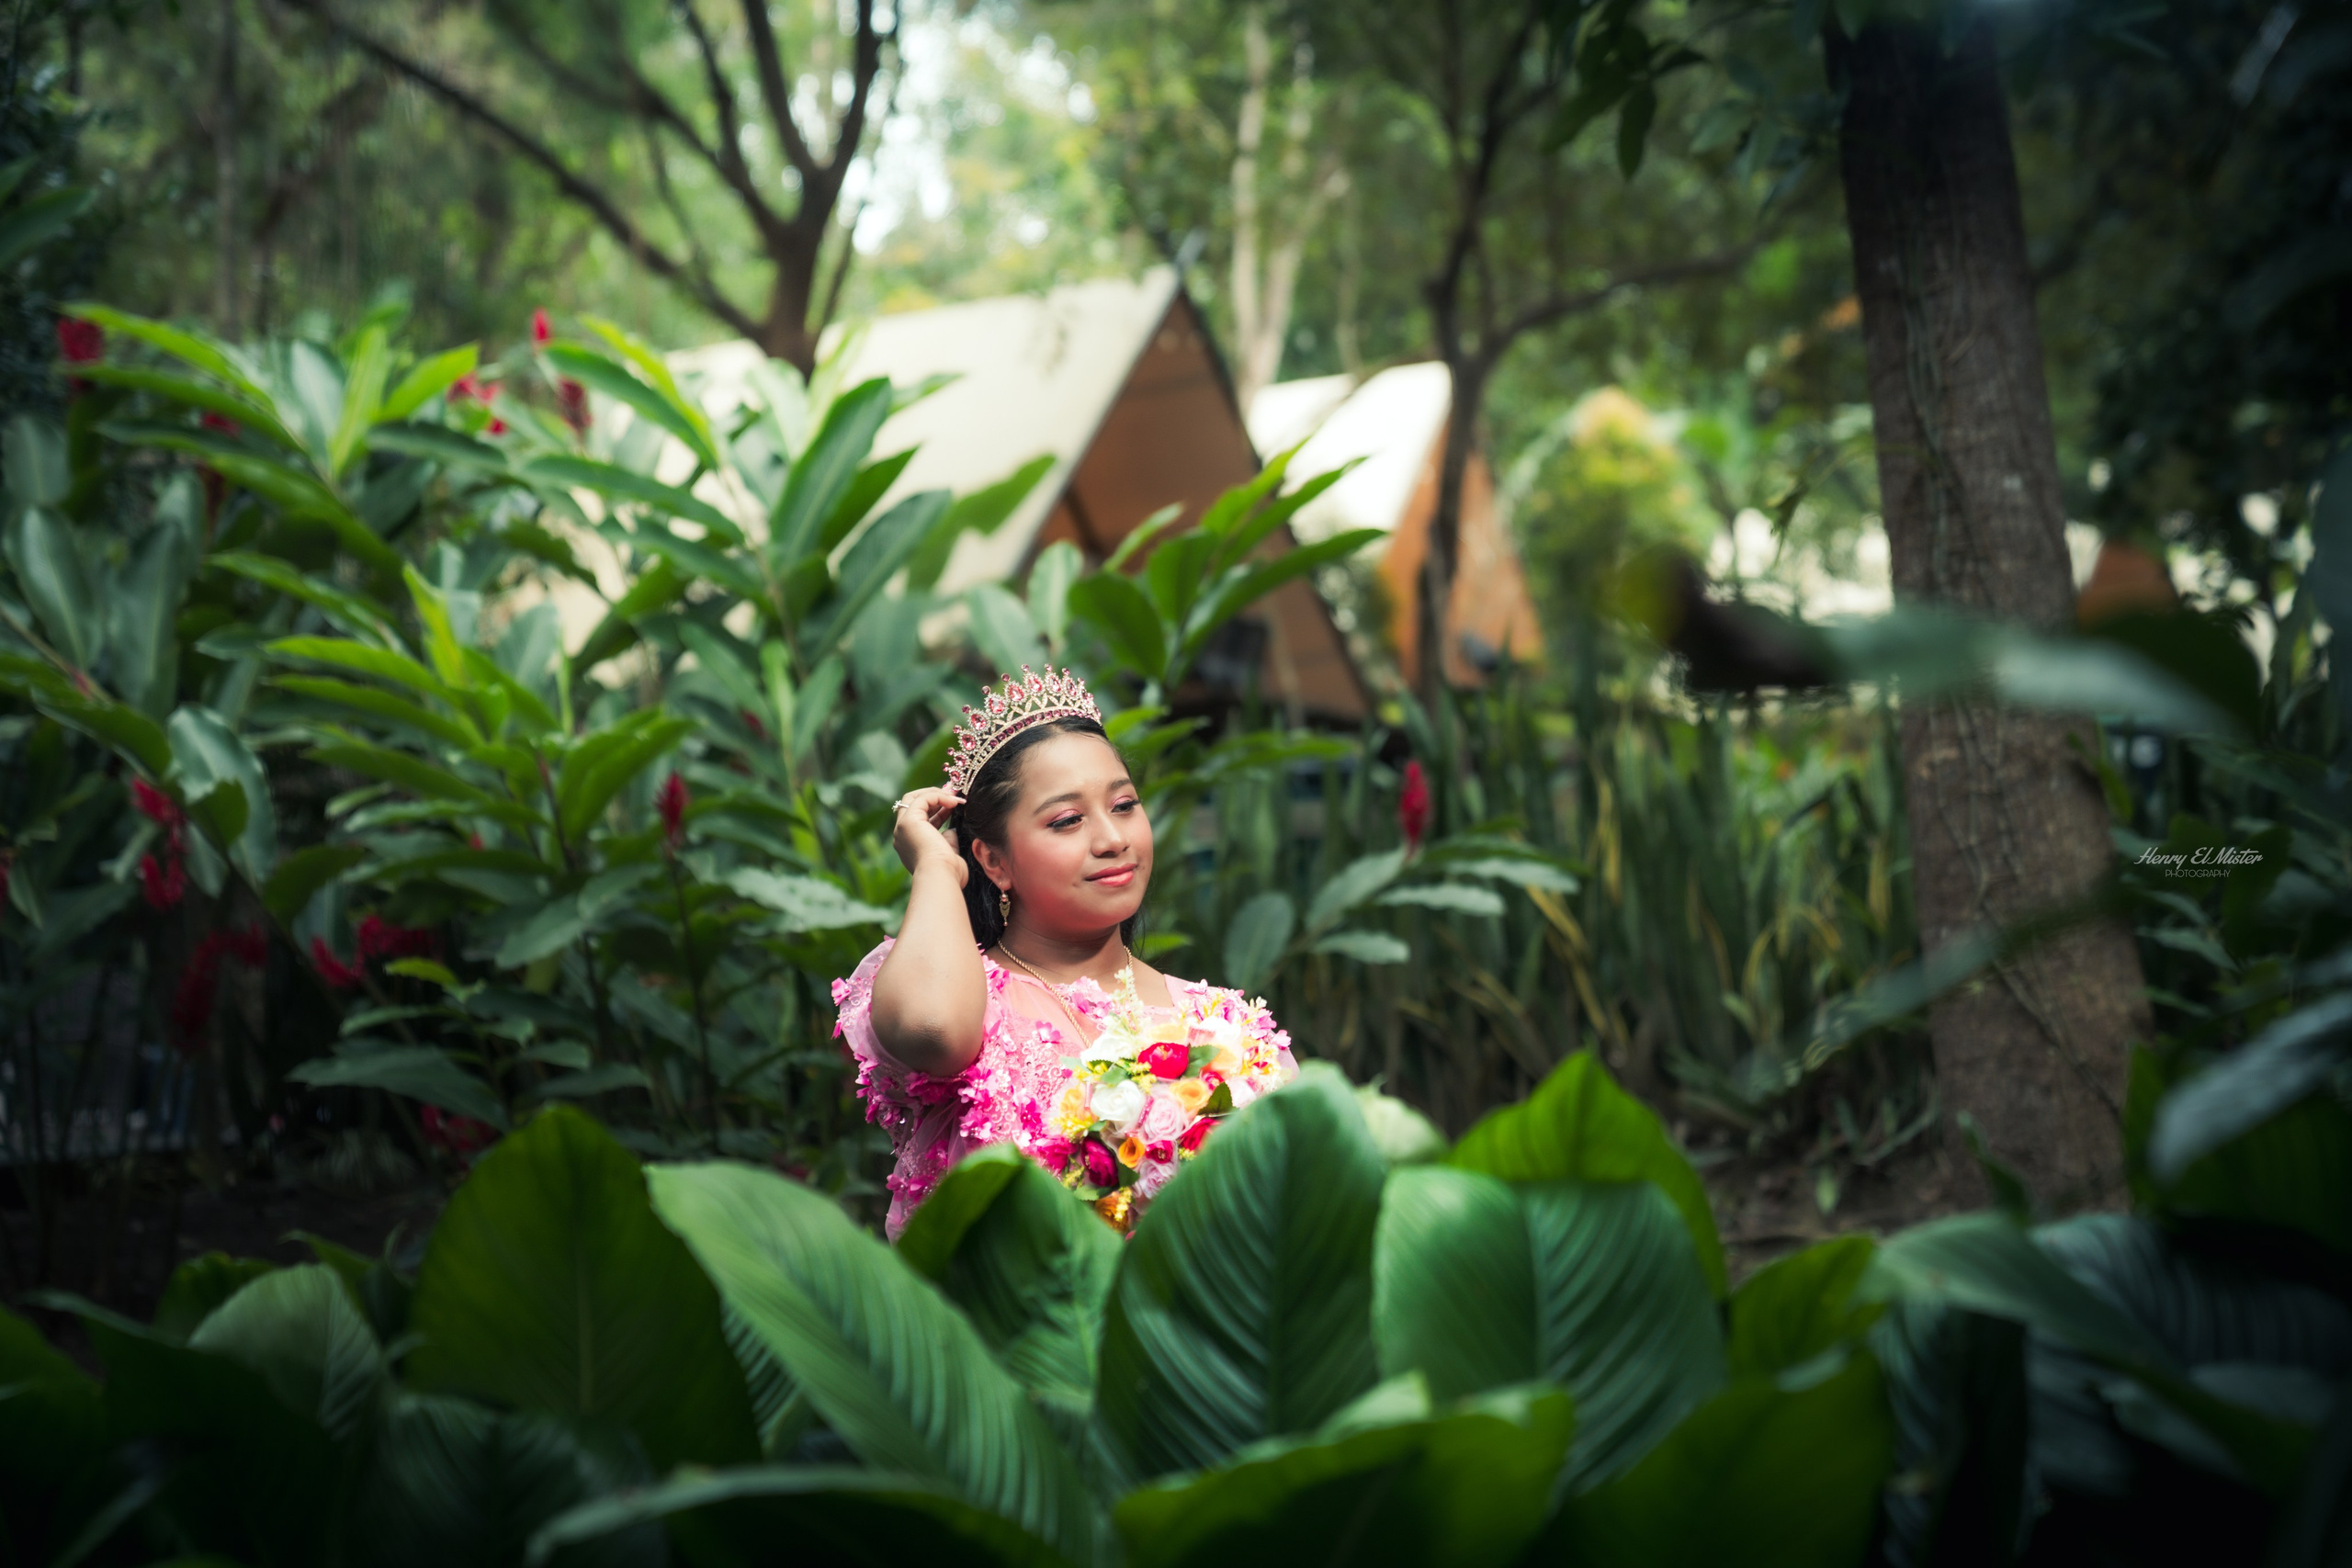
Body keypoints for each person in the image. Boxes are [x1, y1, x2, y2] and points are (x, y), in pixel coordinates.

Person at [831, 667, 1295, 1236]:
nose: (1112, 839)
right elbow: (931, 1031)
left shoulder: (1227, 1031)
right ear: (994, 861)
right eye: (1068, 820)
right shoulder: (965, 1000)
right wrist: (935, 866)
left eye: (1124, 805)